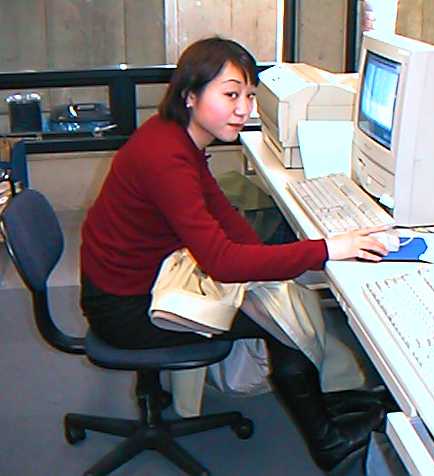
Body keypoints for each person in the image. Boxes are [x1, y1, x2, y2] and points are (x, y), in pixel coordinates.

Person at [80, 37, 392, 472]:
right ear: (190, 95)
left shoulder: (175, 136)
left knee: (276, 291)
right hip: (127, 308)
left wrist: (291, 259)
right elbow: (224, 263)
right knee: (281, 321)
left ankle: (328, 405)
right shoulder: (166, 158)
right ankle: (329, 442)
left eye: (249, 95)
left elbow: (225, 218)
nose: (244, 109)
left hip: (136, 279)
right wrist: (326, 250)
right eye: (230, 95)